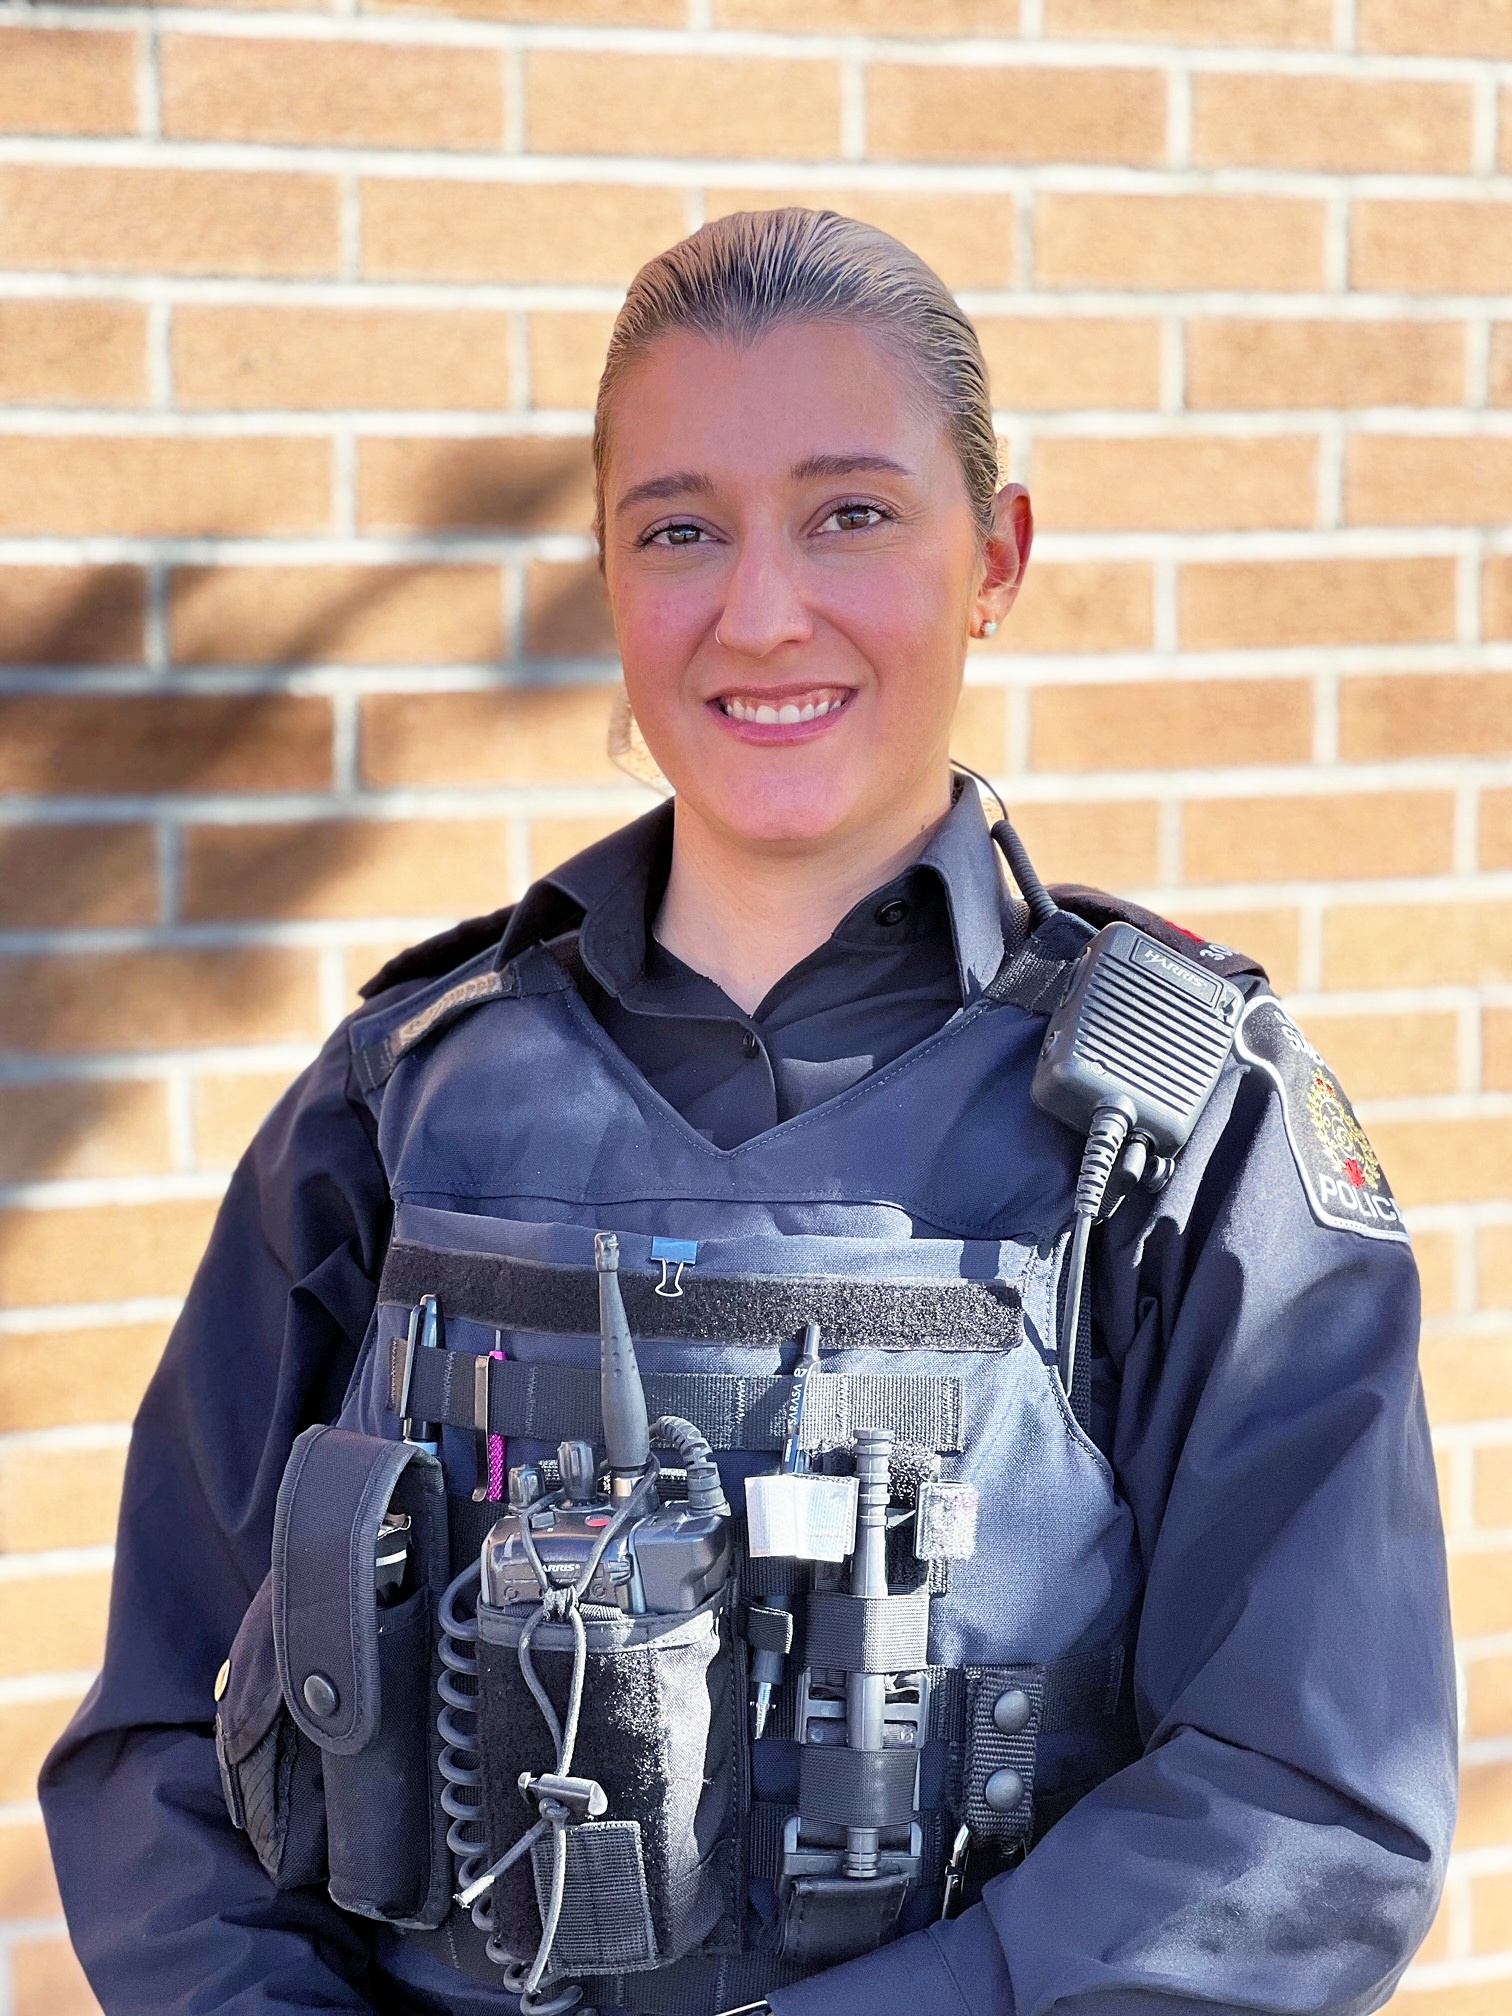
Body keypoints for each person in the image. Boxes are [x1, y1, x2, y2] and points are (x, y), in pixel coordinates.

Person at [40, 208, 1456, 2016]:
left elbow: (1312, 1812)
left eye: (853, 513)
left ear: (996, 555)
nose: (761, 609)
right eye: (681, 529)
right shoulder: (395, 1106)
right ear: (607, 576)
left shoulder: (1188, 1138)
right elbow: (160, 1742)